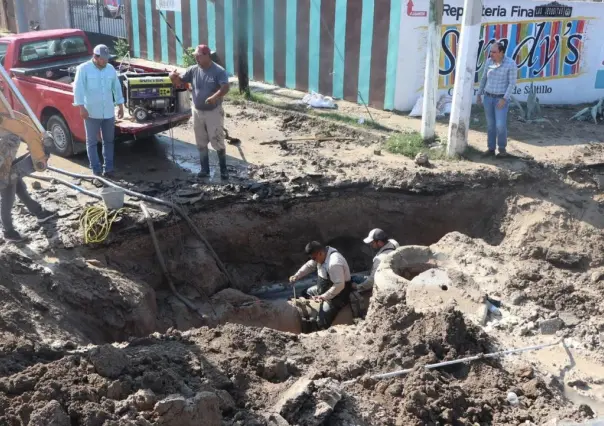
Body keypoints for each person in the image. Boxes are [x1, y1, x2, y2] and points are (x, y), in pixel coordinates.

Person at [169, 45, 230, 180]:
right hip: (197, 111)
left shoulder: (218, 71)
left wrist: (215, 97)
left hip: (213, 111)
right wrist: (172, 77)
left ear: (207, 55)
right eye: (195, 56)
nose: (196, 58)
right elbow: (180, 81)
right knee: (201, 141)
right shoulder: (193, 70)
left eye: (199, 56)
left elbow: (225, 87)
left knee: (217, 139)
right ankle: (204, 170)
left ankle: (224, 170)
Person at [73, 44, 124, 178]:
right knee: (92, 142)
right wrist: (81, 107)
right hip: (91, 112)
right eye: (102, 59)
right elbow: (78, 88)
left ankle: (109, 169)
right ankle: (96, 172)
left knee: (109, 141)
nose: (105, 61)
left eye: (107, 59)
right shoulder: (83, 69)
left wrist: (120, 105)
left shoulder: (110, 69)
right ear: (95, 57)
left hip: (108, 111)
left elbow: (116, 87)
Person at [289, 241, 352, 329]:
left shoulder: (334, 263)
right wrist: (297, 275)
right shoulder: (321, 255)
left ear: (320, 253)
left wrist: (324, 297)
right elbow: (309, 266)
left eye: (314, 258)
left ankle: (322, 328)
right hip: (324, 287)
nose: (313, 260)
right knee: (306, 292)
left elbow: (339, 285)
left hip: (339, 293)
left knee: (323, 318)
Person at [477, 40, 517, 158]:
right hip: (488, 98)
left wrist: (504, 99)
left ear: (501, 52)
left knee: (500, 125)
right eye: (491, 52)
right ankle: (491, 149)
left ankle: (502, 149)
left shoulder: (511, 64)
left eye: (494, 52)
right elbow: (484, 78)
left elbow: (512, 84)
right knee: (490, 125)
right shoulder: (489, 62)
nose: (491, 54)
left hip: (501, 99)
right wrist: (479, 94)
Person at [352, 228, 400, 293]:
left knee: (353, 278)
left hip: (381, 282)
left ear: (380, 242)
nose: (371, 245)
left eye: (372, 243)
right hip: (391, 277)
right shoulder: (393, 243)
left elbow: (372, 280)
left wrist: (358, 287)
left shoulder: (380, 258)